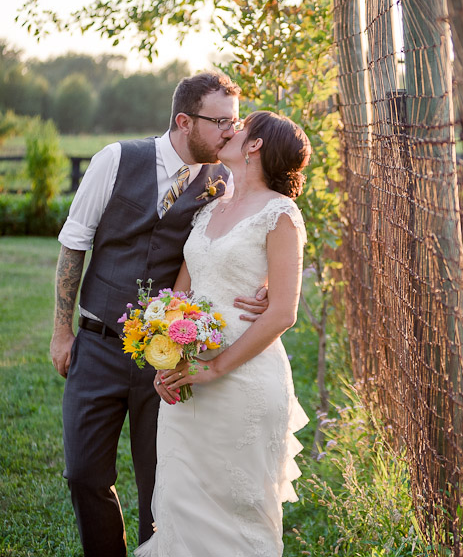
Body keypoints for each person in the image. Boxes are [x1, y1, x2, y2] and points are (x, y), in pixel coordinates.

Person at [49, 71, 270, 557]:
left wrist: (266, 280)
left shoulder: (224, 181)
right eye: (221, 122)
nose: (232, 133)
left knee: (161, 481)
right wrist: (61, 332)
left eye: (235, 122)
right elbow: (74, 244)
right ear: (184, 120)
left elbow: (246, 238)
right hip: (100, 341)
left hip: (168, 358)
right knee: (83, 473)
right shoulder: (115, 159)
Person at [134, 111, 311, 556]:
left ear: (255, 145)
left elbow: (282, 312)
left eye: (240, 125)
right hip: (188, 375)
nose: (229, 131)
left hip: (243, 379)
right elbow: (179, 297)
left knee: (237, 515)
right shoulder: (211, 207)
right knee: (180, 504)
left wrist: (215, 368)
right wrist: (167, 360)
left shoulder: (280, 213)